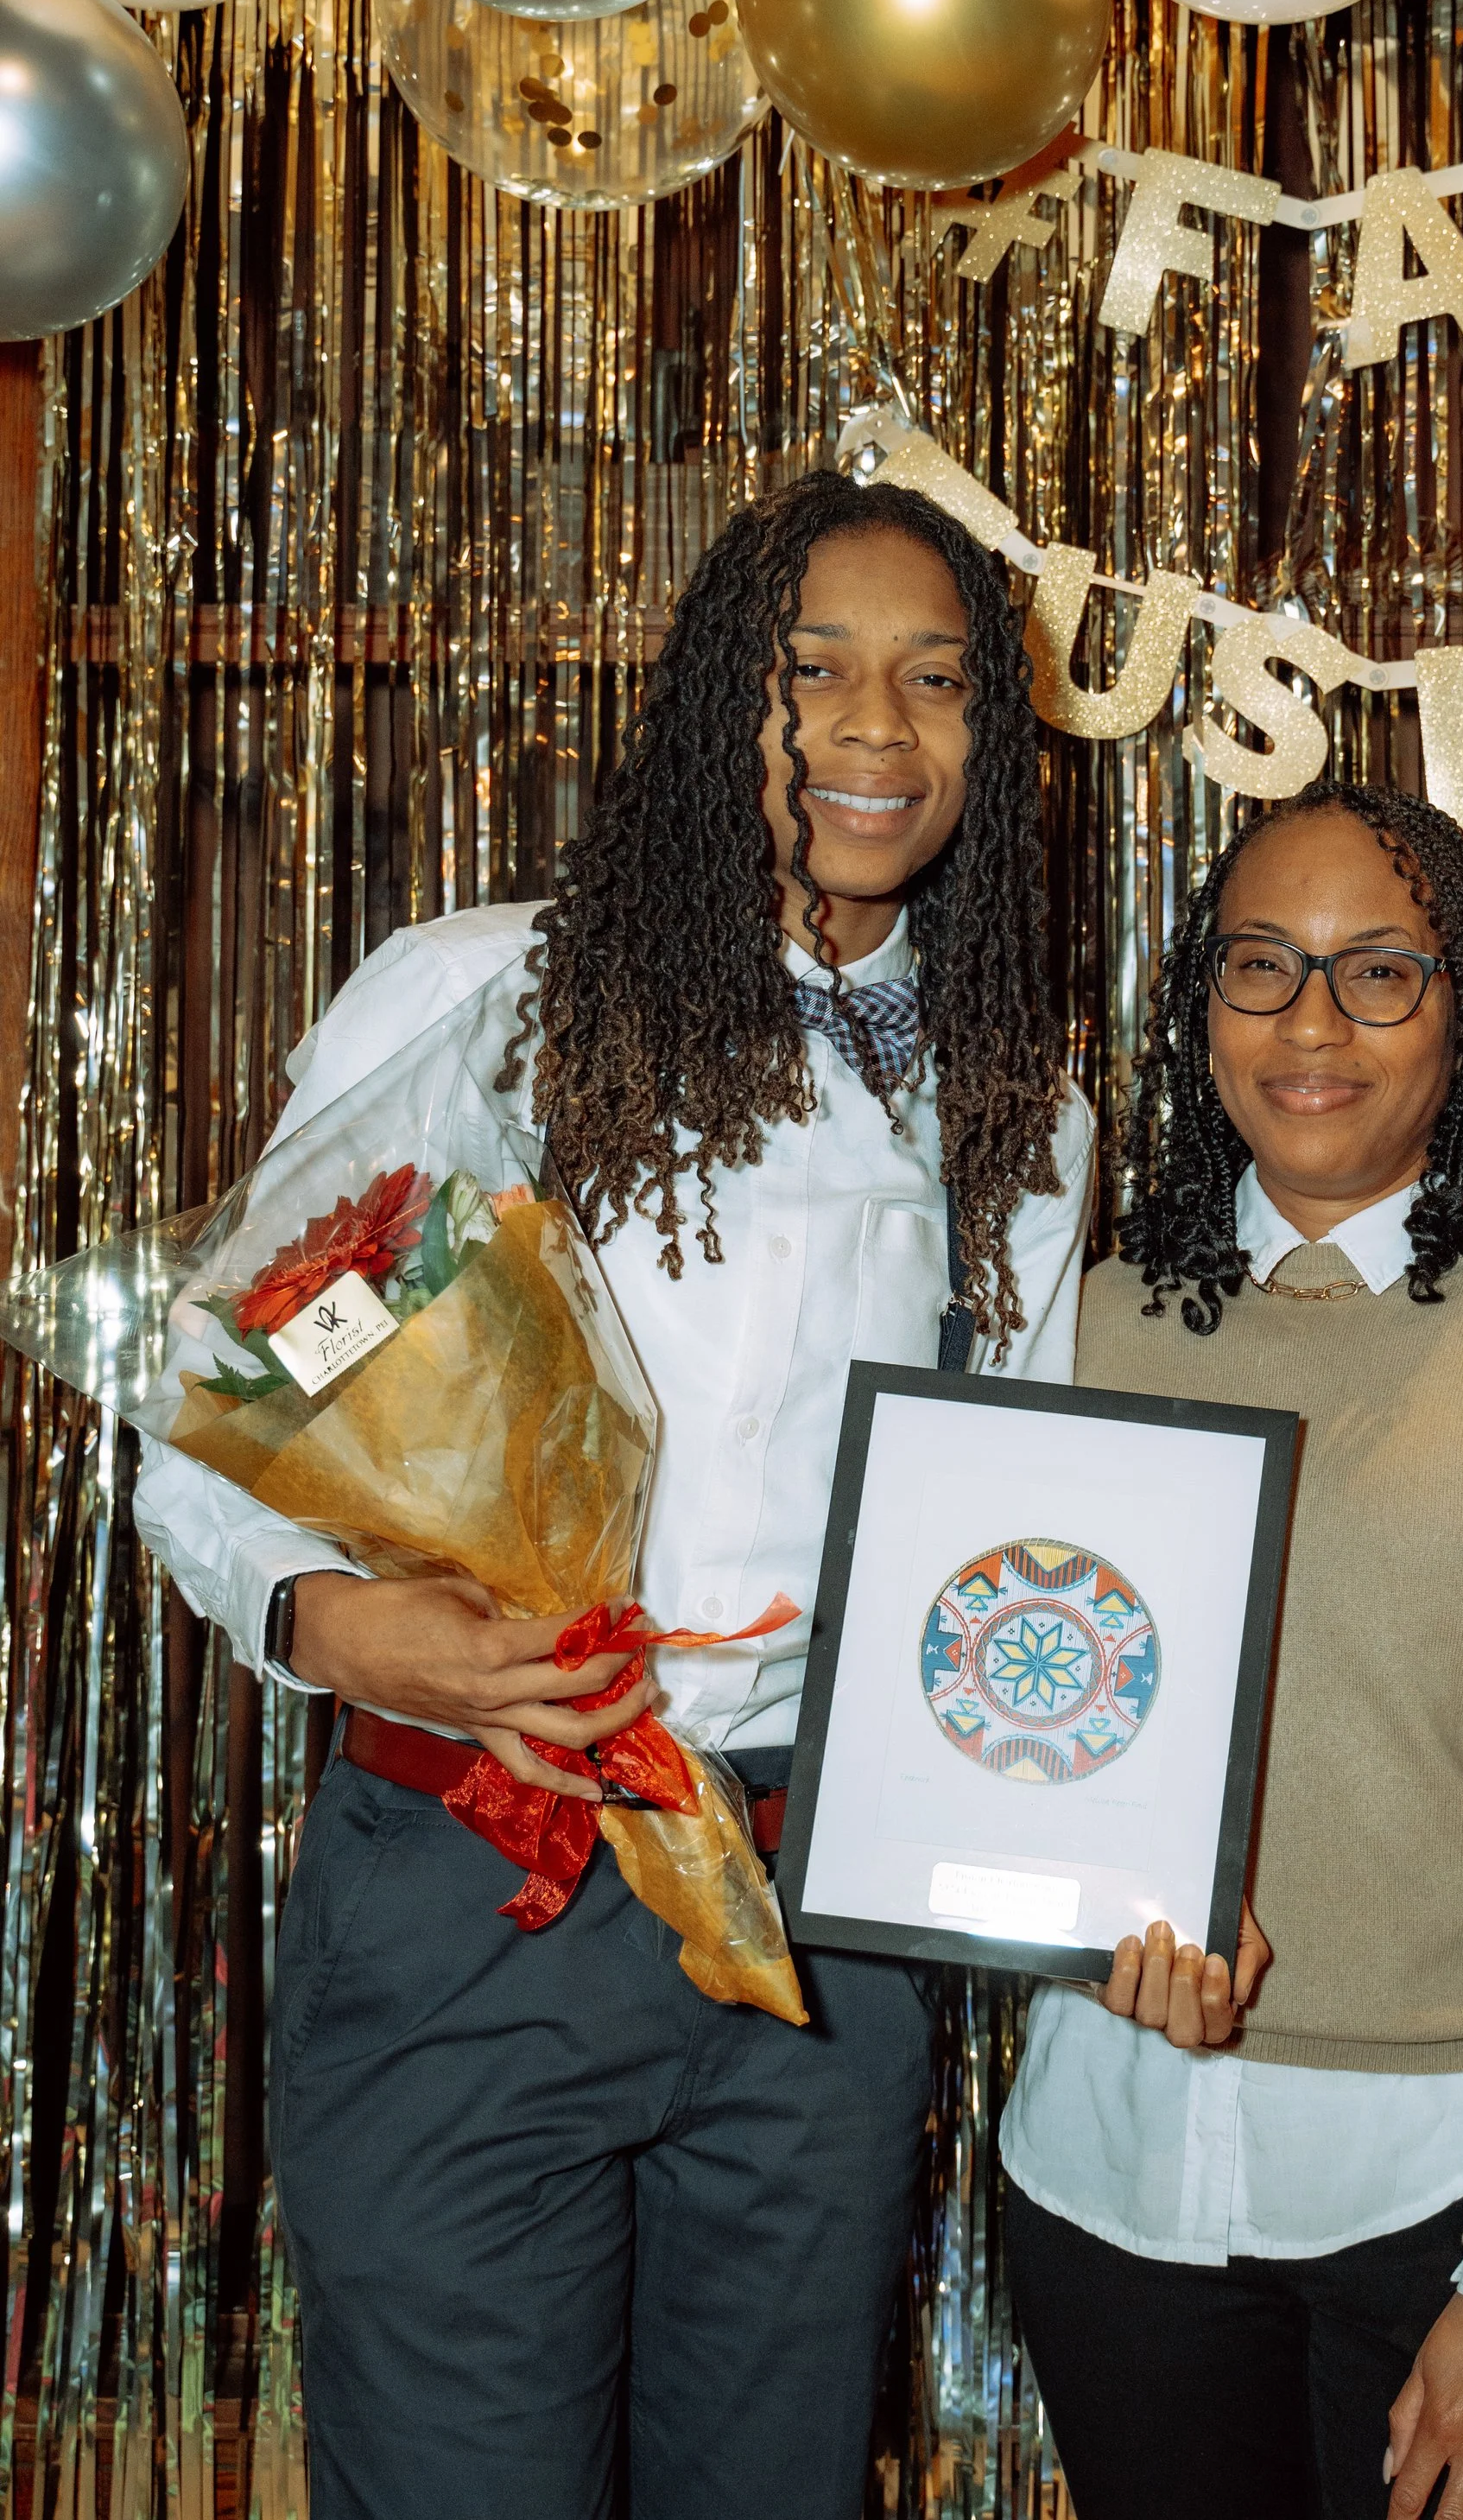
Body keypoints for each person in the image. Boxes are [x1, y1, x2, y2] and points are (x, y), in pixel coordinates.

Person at [132, 471, 1096, 2520]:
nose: (872, 726)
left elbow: (1010, 1545)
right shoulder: (494, 996)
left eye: (936, 680)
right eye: (811, 667)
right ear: (719, 695)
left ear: (988, 740)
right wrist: (324, 1616)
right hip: (479, 1877)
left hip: (813, 1935)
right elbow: (220, 1398)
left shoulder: (1021, 1108)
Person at [1000, 783, 1463, 2520]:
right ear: (1199, 1006)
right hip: (1107, 2178)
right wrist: (1079, 1913)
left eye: (1379, 971)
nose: (1311, 1023)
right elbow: (1005, 1709)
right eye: (1260, 964)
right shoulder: (1088, 1317)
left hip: (1452, 2198)